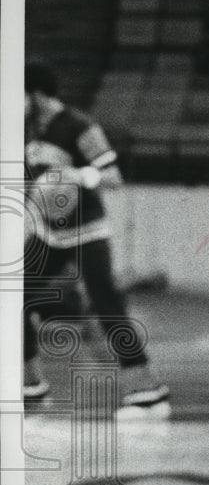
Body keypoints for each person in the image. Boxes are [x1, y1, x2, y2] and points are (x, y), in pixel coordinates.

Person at [23, 61, 170, 414]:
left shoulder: (79, 125)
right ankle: (31, 386)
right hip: (49, 232)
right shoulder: (30, 128)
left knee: (108, 306)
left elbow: (113, 177)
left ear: (37, 94)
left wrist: (74, 175)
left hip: (87, 230)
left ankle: (149, 393)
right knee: (13, 298)